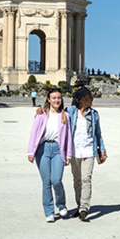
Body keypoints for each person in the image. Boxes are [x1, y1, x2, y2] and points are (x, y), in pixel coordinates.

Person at [27, 88, 72, 223]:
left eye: (59, 98)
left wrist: (68, 154)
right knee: (46, 183)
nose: (57, 100)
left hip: (58, 150)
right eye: (54, 98)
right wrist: (30, 151)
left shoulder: (65, 116)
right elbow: (34, 133)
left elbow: (68, 137)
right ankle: (49, 212)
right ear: (48, 99)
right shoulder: (41, 115)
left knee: (56, 180)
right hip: (43, 149)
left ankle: (61, 204)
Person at [67, 87, 107, 221]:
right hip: (74, 151)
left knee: (86, 179)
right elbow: (54, 112)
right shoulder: (70, 112)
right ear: (82, 99)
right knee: (77, 180)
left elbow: (98, 134)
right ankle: (79, 205)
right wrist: (41, 111)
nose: (92, 99)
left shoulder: (94, 114)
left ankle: (84, 207)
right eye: (90, 97)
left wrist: (102, 150)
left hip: (89, 150)